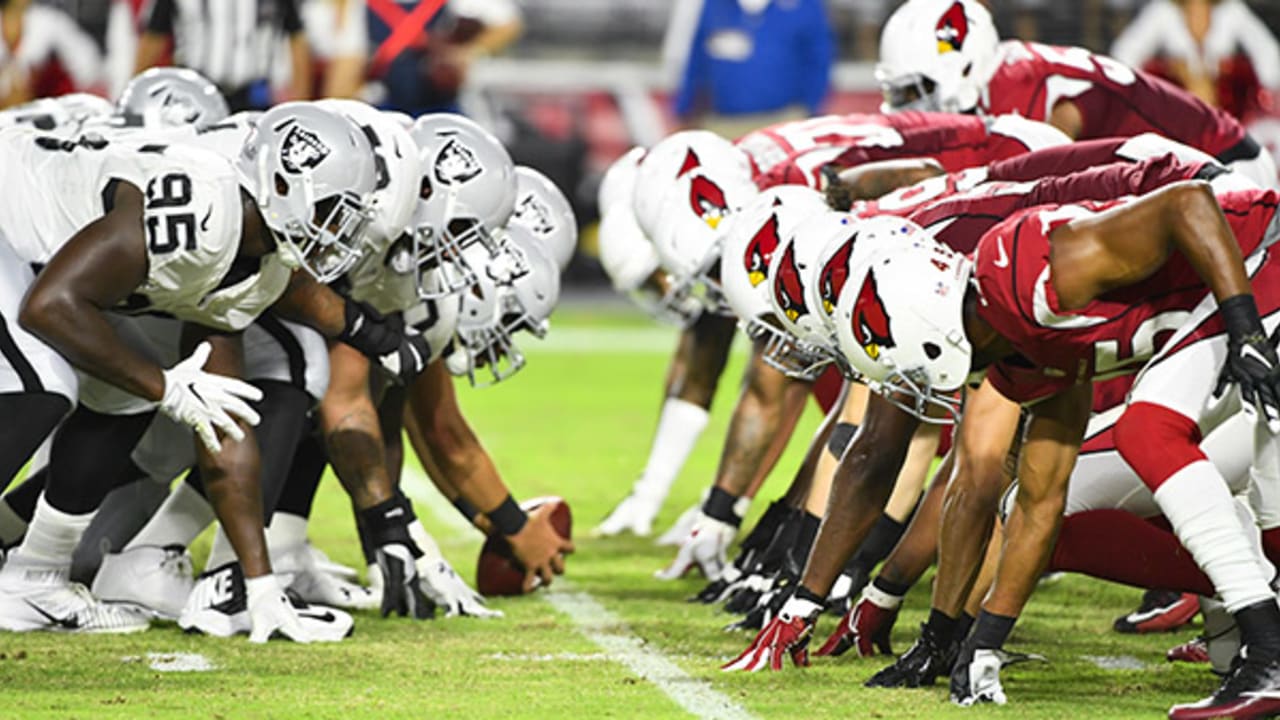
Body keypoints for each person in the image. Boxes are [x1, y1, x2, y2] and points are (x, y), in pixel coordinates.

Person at [875, 0, 1277, 187]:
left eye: (915, 91)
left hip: (1227, 168)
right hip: (1186, 170)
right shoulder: (1005, 71)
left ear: (961, 67)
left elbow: (1043, 172)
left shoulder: (1023, 86)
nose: (908, 105)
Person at [664, 0, 833, 139]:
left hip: (783, 124)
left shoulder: (804, 5)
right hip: (723, 124)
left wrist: (810, 111)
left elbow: (820, 61)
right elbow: (696, 60)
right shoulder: (715, 5)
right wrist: (683, 110)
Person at [135, 0, 311, 110]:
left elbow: (296, 37)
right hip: (193, 95)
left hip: (252, 94)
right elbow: (155, 36)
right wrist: (134, 93)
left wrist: (300, 103)